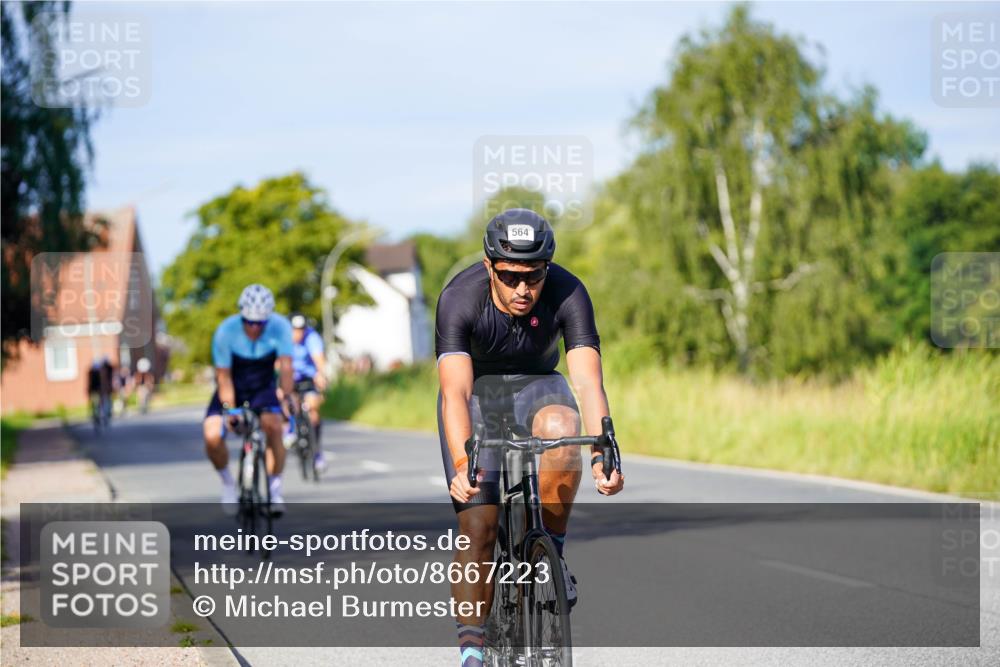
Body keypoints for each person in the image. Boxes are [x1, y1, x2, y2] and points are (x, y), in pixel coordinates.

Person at [436, 208, 625, 667]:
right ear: (489, 267)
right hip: (478, 395)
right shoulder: (460, 297)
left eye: (534, 276)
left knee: (564, 429)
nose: (523, 289)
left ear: (547, 269)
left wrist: (604, 450)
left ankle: (550, 555)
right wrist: (462, 466)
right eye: (510, 276)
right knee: (479, 527)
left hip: (538, 387)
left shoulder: (568, 291)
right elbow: (455, 392)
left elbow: (587, 382)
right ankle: (471, 651)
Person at [203, 284, 295, 516]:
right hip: (232, 384)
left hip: (262, 386)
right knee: (212, 435)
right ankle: (228, 483)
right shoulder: (226, 331)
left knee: (274, 427)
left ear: (268, 318)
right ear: (241, 316)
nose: (254, 328)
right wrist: (231, 411)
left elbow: (286, 368)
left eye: (260, 323)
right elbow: (223, 378)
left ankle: (274, 490)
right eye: (249, 322)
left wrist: (287, 397)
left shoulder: (281, 327)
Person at [288, 314, 328, 470]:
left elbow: (319, 360)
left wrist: (321, 375)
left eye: (301, 330)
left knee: (313, 408)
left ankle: (317, 452)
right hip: (290, 376)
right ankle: (291, 430)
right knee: (289, 401)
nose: (298, 334)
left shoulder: (312, 337)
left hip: (309, 377)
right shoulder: (283, 338)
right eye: (295, 330)